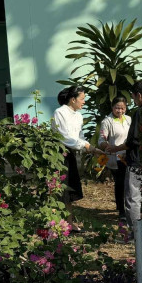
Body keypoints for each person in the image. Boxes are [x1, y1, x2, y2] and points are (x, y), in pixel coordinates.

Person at [107, 80, 142, 238]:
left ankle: (135, 232)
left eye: (133, 98)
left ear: (138, 95)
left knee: (133, 198)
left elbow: (133, 140)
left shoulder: (140, 112)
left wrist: (116, 149)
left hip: (137, 160)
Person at [52, 86, 102, 227]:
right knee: (58, 190)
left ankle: (68, 223)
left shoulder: (78, 116)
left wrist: (91, 148)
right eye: (82, 99)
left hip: (71, 154)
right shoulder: (60, 112)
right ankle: (55, 224)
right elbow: (65, 137)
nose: (84, 102)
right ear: (73, 99)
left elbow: (80, 137)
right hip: (59, 155)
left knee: (69, 190)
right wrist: (87, 146)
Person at [98, 97, 131, 220]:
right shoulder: (107, 121)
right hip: (116, 157)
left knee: (129, 183)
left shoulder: (128, 119)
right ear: (112, 107)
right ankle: (121, 210)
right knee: (120, 183)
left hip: (128, 156)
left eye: (123, 108)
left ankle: (126, 207)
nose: (120, 111)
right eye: (117, 108)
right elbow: (101, 140)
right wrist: (108, 147)